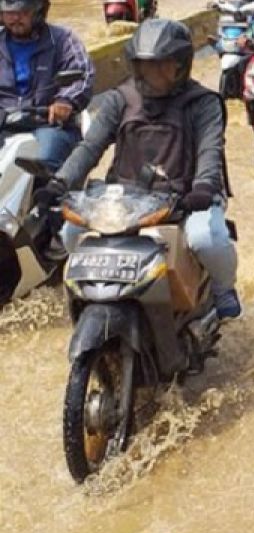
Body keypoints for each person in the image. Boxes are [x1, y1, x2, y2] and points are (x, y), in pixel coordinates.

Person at [44, 18, 241, 318]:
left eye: (164, 64)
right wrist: (60, 183)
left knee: (205, 239)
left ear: (182, 65)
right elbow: (89, 148)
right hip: (125, 201)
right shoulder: (118, 100)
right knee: (71, 234)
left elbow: (209, 151)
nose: (155, 73)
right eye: (147, 65)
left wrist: (202, 188)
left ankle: (223, 288)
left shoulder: (203, 103)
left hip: (184, 198)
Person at [0, 0, 94, 169]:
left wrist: (65, 101)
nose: (15, 18)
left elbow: (82, 74)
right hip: (4, 121)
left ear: (38, 12)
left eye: (23, 12)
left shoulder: (63, 39)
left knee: (45, 164)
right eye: (9, 12)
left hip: (48, 123)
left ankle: (47, 198)